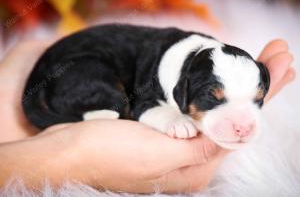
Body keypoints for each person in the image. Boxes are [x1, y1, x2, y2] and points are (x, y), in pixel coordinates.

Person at [0, 39, 295, 193]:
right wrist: (167, 118)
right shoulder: (166, 76)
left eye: (256, 101)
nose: (243, 124)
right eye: (214, 100)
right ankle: (92, 112)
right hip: (75, 71)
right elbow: (144, 105)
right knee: (119, 102)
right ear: (181, 92)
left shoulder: (205, 64)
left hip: (70, 71)